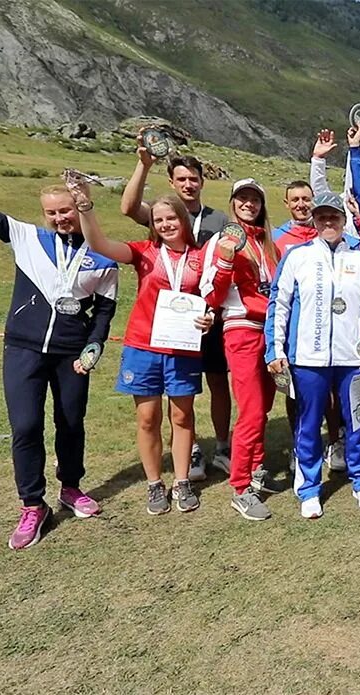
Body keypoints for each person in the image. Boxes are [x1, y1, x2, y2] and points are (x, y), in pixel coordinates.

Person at [0, 137, 118, 550]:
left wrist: (95, 345)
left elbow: (103, 311)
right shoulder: (27, 236)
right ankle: (33, 504)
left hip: (72, 354)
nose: (59, 218)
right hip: (24, 348)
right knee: (26, 426)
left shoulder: (102, 255)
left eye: (65, 210)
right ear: (43, 214)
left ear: (79, 208)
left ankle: (70, 488)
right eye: (52, 212)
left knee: (70, 423)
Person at [73, 186, 212, 516]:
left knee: (182, 416)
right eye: (158, 219)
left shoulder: (200, 255)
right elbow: (99, 244)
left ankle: (181, 482)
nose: (165, 224)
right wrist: (85, 207)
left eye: (171, 218)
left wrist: (209, 316)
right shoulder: (144, 251)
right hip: (143, 347)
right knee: (148, 418)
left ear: (183, 219)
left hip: (183, 348)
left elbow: (213, 292)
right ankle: (154, 483)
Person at [265, 191, 360, 518]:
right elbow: (280, 304)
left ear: (344, 221)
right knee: (309, 423)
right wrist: (275, 349)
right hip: (308, 359)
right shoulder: (298, 256)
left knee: (357, 421)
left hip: (353, 360)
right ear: (314, 221)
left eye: (334, 217)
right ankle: (310, 489)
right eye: (322, 217)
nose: (328, 222)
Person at [120, 143, 231, 480]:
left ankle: (223, 446)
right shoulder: (162, 212)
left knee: (216, 381)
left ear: (201, 181)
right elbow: (127, 207)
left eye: (193, 178)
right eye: (181, 179)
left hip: (205, 316)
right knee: (178, 394)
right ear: (172, 181)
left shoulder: (218, 219)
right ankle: (192, 449)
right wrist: (143, 165)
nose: (188, 184)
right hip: (167, 323)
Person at [201, 179, 278, 520]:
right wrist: (227, 261)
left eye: (254, 199)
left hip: (271, 332)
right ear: (232, 203)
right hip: (242, 330)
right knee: (250, 409)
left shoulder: (269, 242)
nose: (249, 204)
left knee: (263, 407)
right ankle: (240, 486)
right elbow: (213, 297)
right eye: (242, 198)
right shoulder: (222, 240)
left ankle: (257, 467)